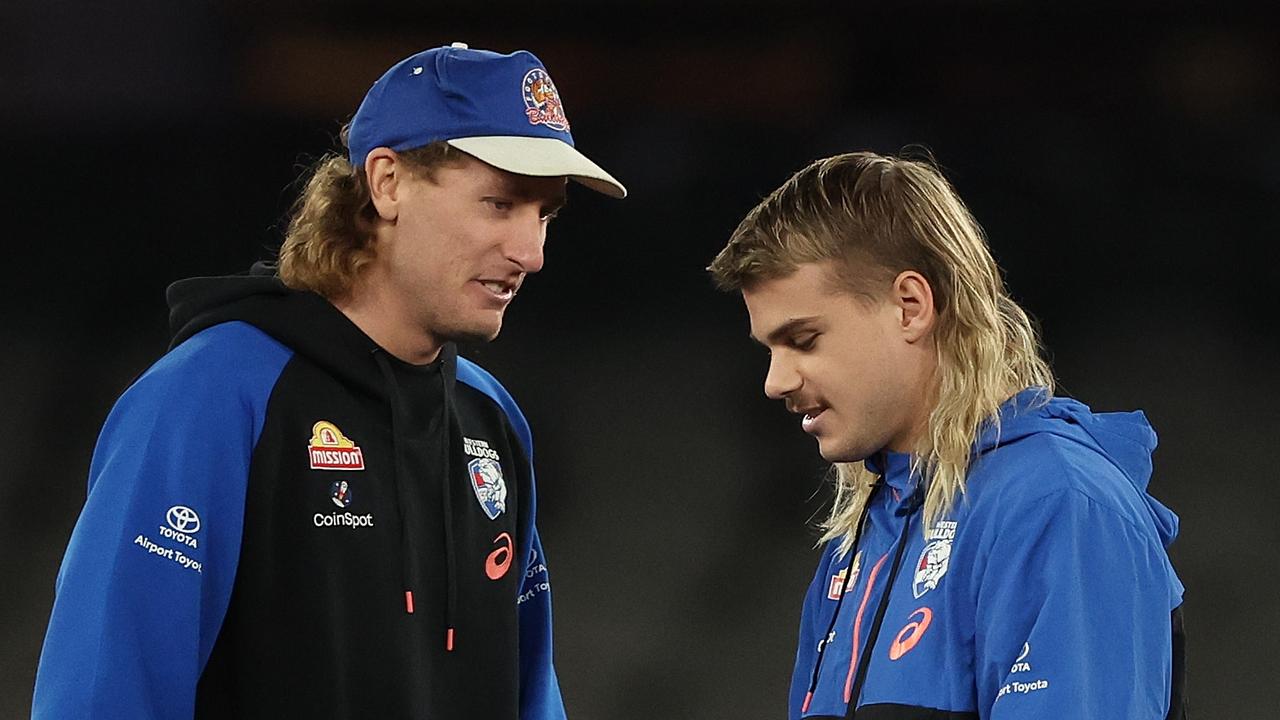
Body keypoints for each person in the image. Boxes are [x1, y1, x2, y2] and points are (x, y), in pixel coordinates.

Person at [33, 42, 625, 719]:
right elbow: (104, 692)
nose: (532, 252)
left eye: (545, 214)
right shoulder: (214, 395)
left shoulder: (490, 421)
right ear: (388, 182)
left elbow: (530, 697)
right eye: (500, 204)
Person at [707, 151, 1185, 719]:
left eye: (804, 340)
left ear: (910, 306)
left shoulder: (1059, 505)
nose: (774, 382)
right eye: (769, 350)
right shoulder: (859, 541)